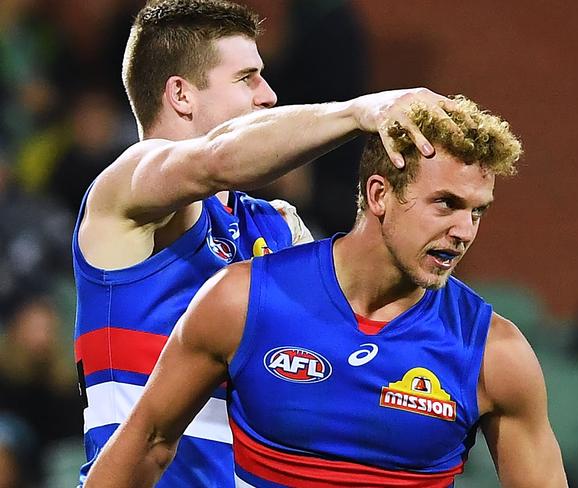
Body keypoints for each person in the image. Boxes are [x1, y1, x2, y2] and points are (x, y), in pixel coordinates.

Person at [84, 97, 568, 487]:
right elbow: (148, 442)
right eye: (446, 204)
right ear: (379, 195)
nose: (464, 230)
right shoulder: (245, 300)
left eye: (477, 212)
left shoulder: (493, 354)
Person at [72, 0, 460, 486]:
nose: (269, 95)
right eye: (247, 78)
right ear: (181, 95)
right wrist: (361, 110)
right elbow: (213, 160)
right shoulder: (126, 187)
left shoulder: (276, 225)